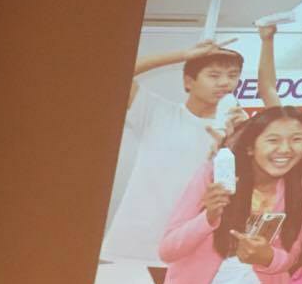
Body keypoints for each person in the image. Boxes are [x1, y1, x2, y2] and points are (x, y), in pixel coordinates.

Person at [100, 38, 246, 268]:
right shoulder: (156, 111)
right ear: (188, 81)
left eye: (232, 75)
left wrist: (240, 137)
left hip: (187, 248)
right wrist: (184, 54)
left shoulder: (238, 130)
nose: (225, 83)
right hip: (130, 244)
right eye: (214, 75)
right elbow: (117, 73)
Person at [158, 107, 302, 284]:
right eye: (273, 140)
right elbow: (167, 251)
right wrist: (208, 218)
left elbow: (292, 255)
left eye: (296, 139)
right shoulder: (213, 176)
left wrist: (268, 257)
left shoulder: (300, 190)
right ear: (250, 147)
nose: (285, 149)